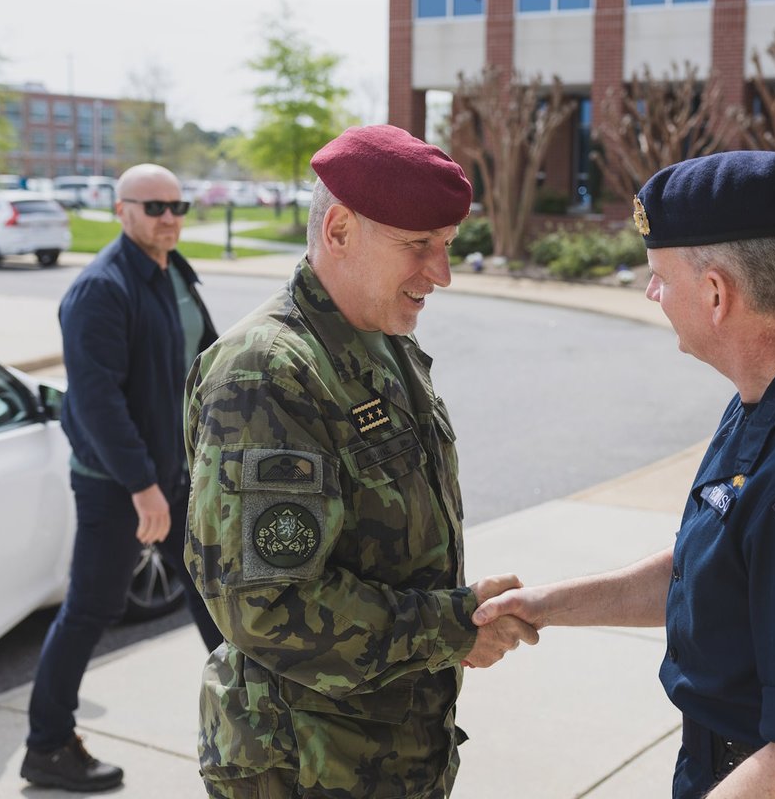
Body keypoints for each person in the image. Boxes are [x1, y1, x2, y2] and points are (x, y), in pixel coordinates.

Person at [474, 151, 775, 799]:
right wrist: (547, 607)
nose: (651, 293)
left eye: (660, 276)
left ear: (717, 294)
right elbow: (715, 571)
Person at [184, 124, 539, 798]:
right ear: (340, 230)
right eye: (419, 246)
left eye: (447, 246)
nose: (442, 273)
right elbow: (268, 605)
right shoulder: (267, 371)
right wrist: (450, 627)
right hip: (307, 765)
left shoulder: (381, 341)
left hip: (389, 750)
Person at [21, 163, 224, 792]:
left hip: (174, 473)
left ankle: (263, 715)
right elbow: (95, 403)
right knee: (91, 608)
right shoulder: (101, 290)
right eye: (155, 206)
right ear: (121, 210)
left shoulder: (173, 272)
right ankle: (48, 745)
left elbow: (206, 361)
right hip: (119, 485)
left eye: (178, 205)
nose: (170, 217)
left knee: (213, 595)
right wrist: (142, 487)